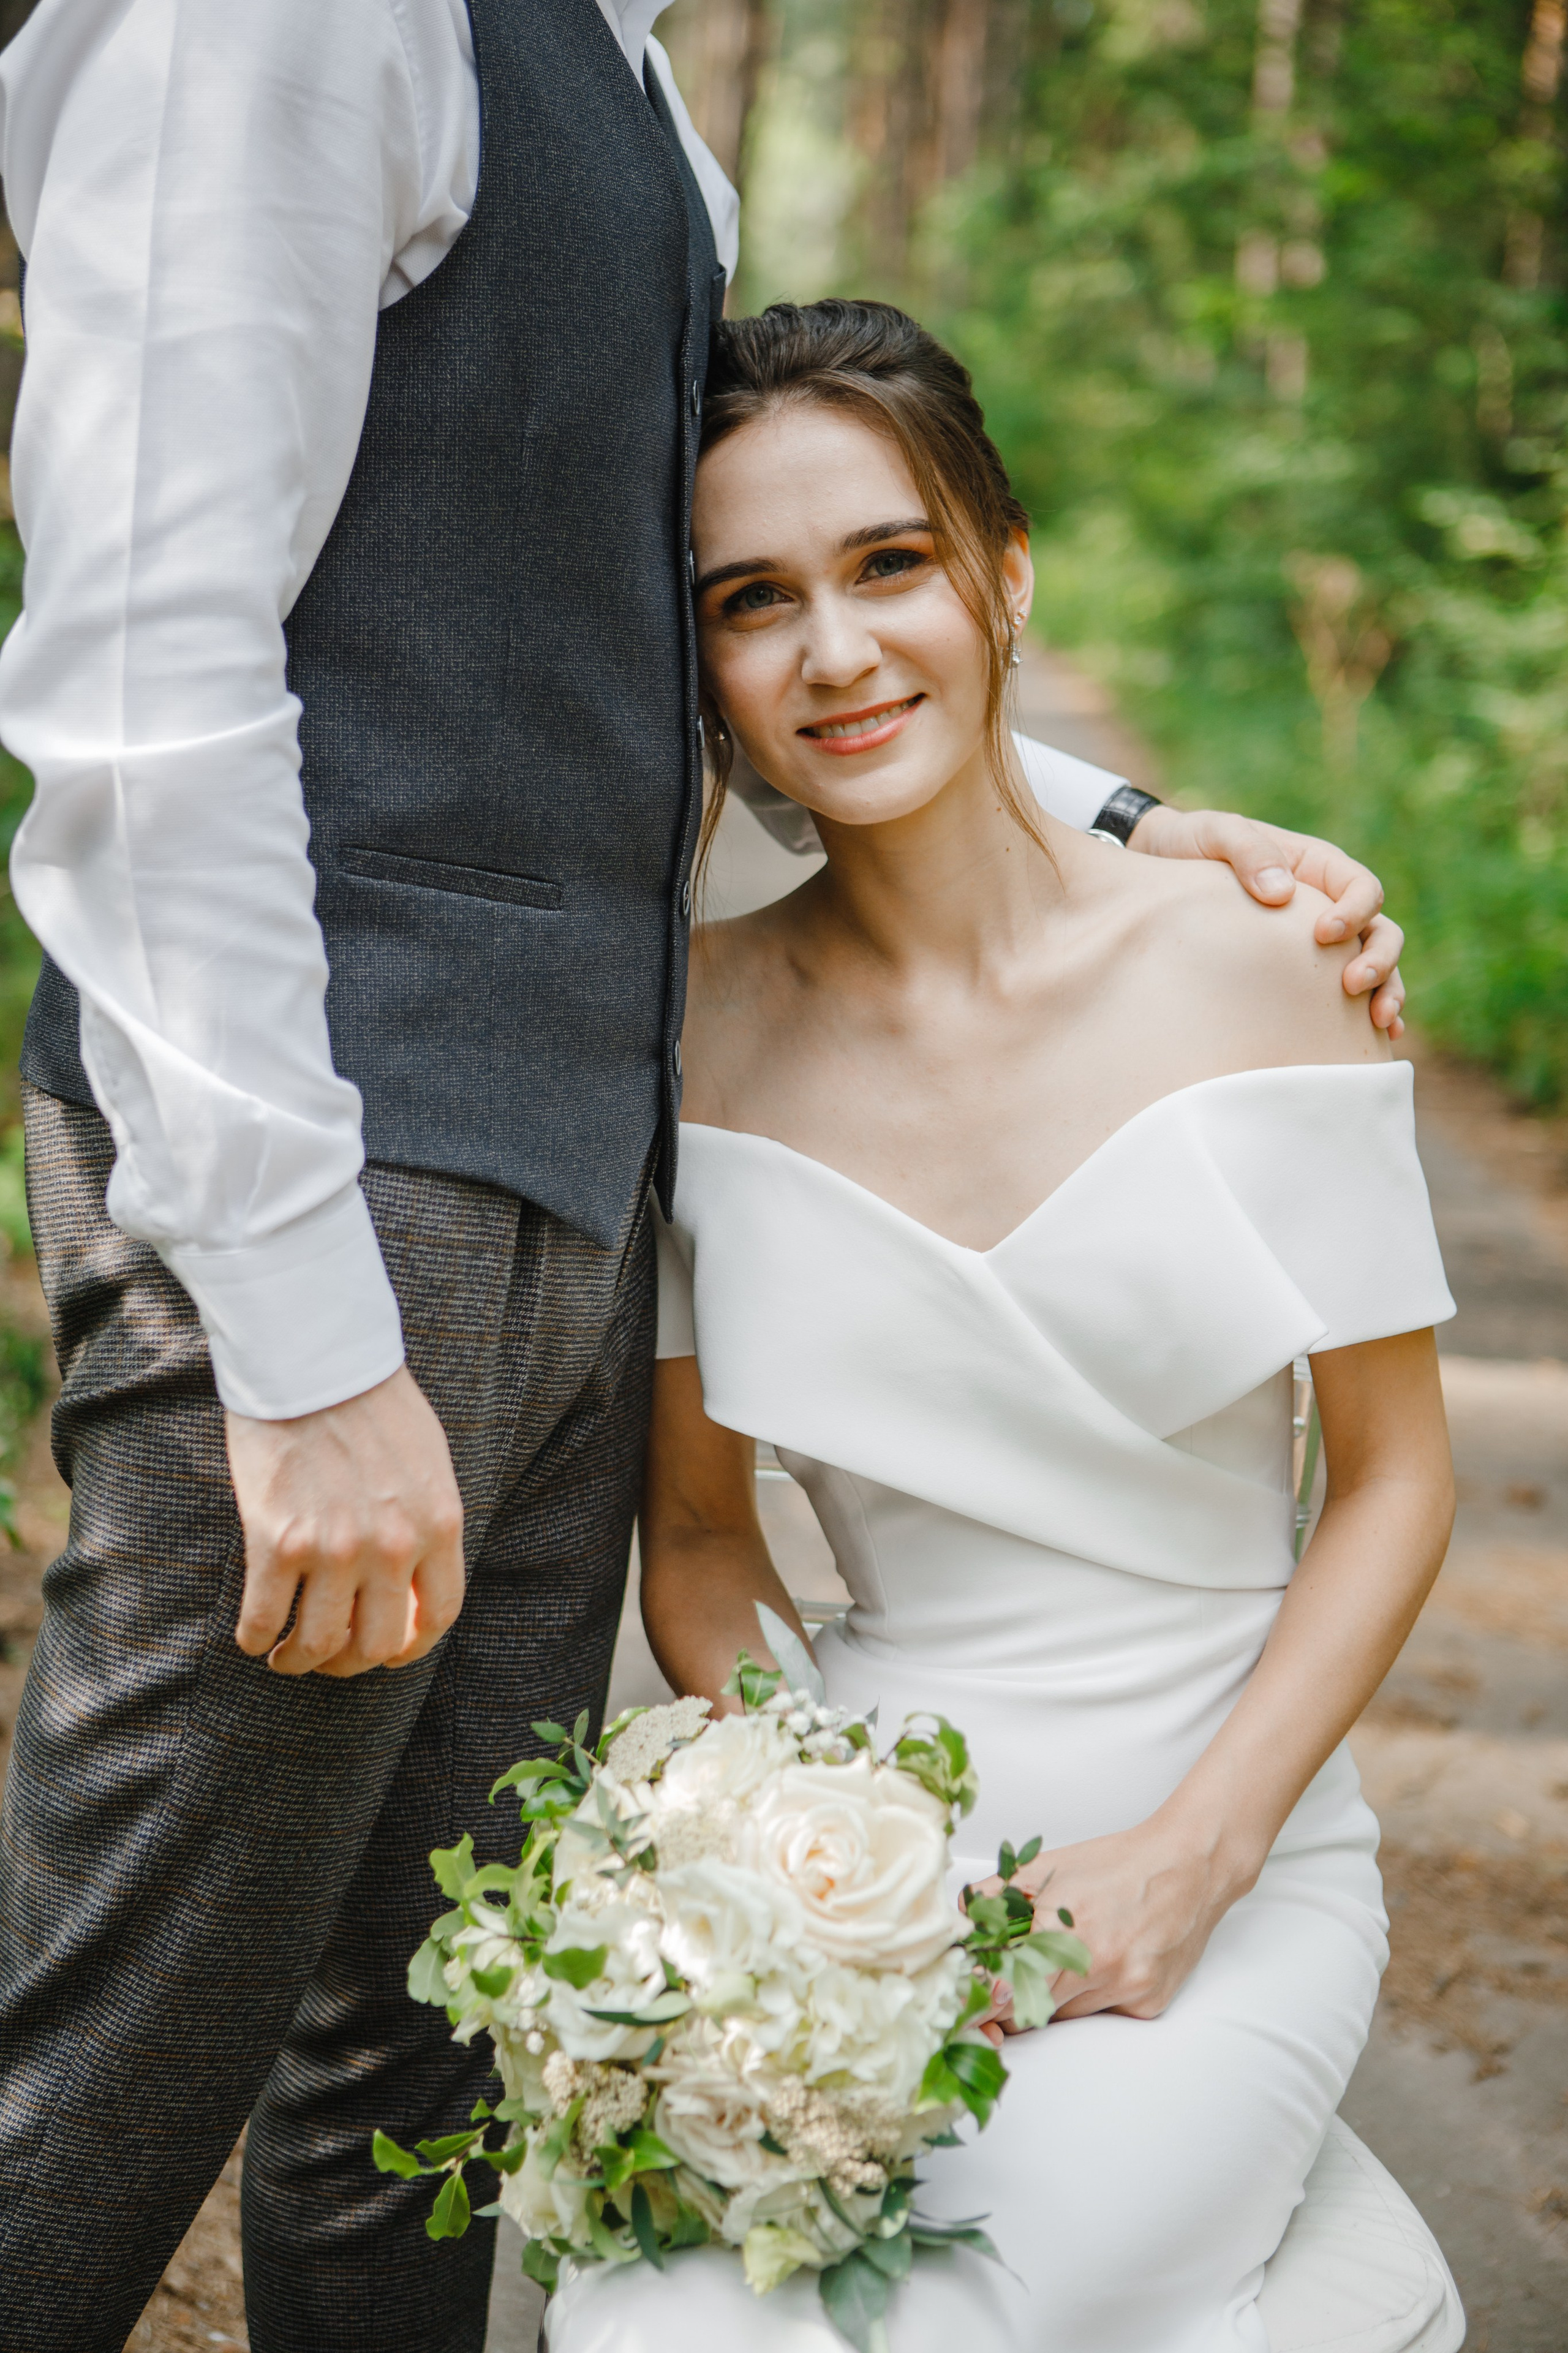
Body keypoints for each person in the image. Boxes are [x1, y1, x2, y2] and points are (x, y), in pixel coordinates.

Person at [0, 7, 1406, 2351]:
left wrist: (1136, 828)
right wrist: (301, 1323)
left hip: (581, 1180)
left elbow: (689, 681)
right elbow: (143, 669)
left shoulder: (630, 87)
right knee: (117, 2054)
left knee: (414, 2061)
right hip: (340, 1193)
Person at [548, 300, 1466, 2353]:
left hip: (1231, 1843)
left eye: (890, 564)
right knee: (658, 2333)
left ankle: (1315, 2264)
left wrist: (1191, 1860)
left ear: (1006, 570)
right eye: (752, 602)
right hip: (877, 1884)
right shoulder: (691, 1046)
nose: (837, 653)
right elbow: (699, 1542)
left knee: (949, 2320)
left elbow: (1400, 1479)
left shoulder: (1266, 960)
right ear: (699, 663)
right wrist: (793, 1866)